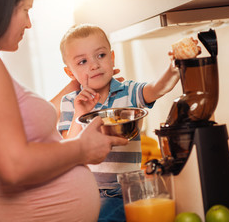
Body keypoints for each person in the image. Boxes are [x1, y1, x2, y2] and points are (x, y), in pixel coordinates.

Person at [0, 0, 129, 221]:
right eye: (25, 10)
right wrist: (82, 149)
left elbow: (21, 124)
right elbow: (15, 165)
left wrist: (80, 85)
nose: (29, 23)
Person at [58, 24, 181, 222]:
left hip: (124, 191)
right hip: (85, 193)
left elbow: (157, 88)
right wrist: (80, 114)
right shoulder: (70, 102)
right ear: (70, 73)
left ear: (112, 57)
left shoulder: (129, 91)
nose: (94, 65)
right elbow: (68, 149)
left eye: (100, 56)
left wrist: (174, 69)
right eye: (82, 61)